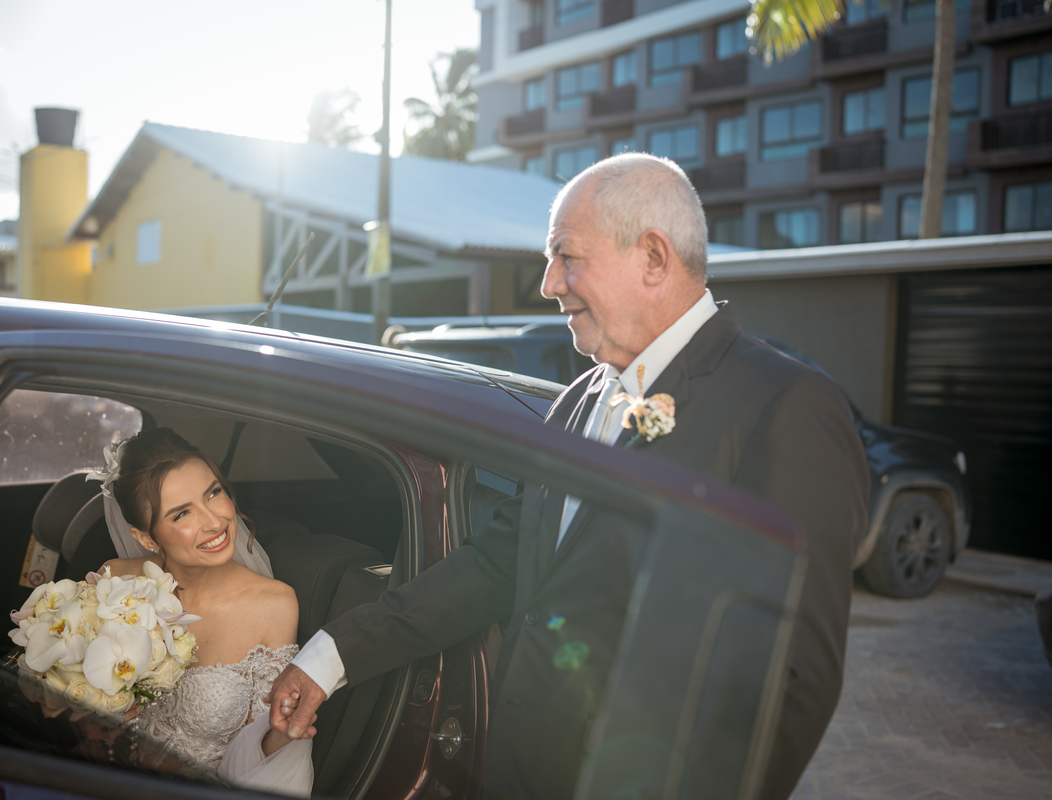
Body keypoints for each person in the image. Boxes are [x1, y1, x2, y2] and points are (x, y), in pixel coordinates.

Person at [268, 153, 869, 800]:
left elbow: (790, 680)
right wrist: (332, 656)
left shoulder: (783, 407)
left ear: (653, 258)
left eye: (566, 256)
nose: (549, 283)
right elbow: (496, 565)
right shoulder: (579, 400)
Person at [93, 427, 314, 797]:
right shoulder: (114, 581)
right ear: (146, 538)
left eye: (214, 493)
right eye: (182, 514)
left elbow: (257, 753)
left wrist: (284, 732)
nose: (215, 522)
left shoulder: (275, 605)